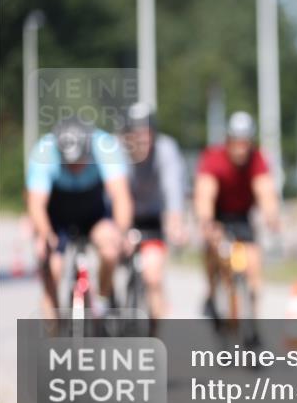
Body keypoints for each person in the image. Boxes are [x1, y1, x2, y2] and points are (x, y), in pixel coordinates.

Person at [26, 116, 133, 318]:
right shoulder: (44, 150)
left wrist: (121, 231)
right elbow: (36, 204)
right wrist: (45, 234)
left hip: (95, 211)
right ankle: (55, 327)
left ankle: (101, 300)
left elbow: (120, 196)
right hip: (58, 212)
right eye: (69, 163)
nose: (75, 168)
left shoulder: (105, 146)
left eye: (80, 162)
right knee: (52, 267)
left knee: (110, 250)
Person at [194, 111, 280, 320]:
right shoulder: (214, 158)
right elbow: (205, 193)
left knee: (252, 267)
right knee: (214, 250)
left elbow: (265, 190)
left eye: (245, 143)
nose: (241, 149)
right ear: (228, 140)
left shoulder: (257, 159)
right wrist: (206, 221)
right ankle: (212, 293)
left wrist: (271, 216)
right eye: (237, 142)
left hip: (242, 217)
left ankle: (251, 324)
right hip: (218, 216)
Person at [122, 102, 187, 322]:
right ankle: (106, 303)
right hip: (124, 216)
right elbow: (114, 194)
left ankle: (157, 333)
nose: (141, 140)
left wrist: (175, 224)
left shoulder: (166, 150)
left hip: (153, 218)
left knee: (153, 276)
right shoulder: (117, 152)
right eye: (135, 135)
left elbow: (173, 190)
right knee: (108, 257)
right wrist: (120, 230)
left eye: (146, 134)